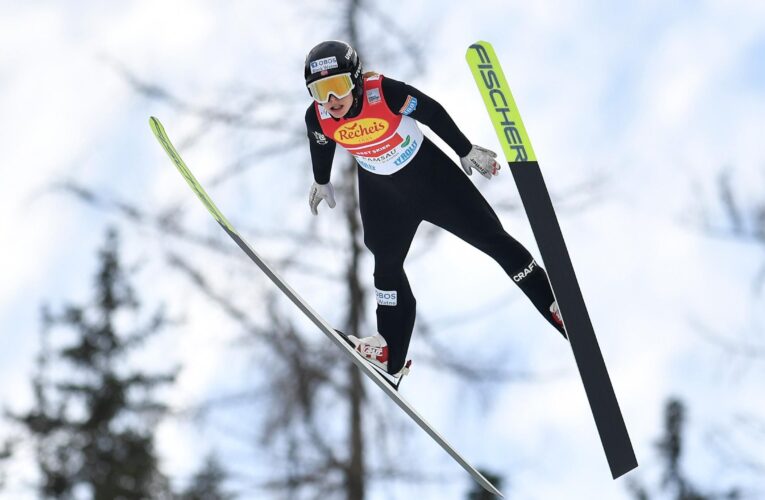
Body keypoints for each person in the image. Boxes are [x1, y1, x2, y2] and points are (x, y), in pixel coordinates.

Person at [304, 40, 566, 378]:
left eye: (337, 87)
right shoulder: (318, 116)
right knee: (385, 265)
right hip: (382, 193)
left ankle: (555, 305)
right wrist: (321, 179)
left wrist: (465, 149)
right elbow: (320, 142)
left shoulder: (383, 92)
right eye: (319, 90)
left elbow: (432, 111)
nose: (330, 100)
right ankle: (390, 354)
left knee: (492, 239)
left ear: (354, 79)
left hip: (430, 178)